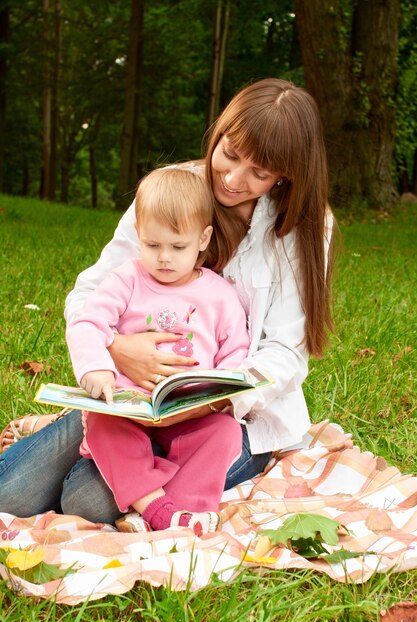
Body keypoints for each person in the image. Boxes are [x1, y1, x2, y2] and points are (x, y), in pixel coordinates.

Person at [0, 78, 334, 527]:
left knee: (86, 500)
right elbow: (90, 295)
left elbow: (285, 353)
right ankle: (116, 457)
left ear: (286, 173)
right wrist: (116, 349)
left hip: (229, 420)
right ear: (219, 134)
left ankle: (147, 494)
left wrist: (213, 399)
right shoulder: (169, 190)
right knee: (10, 492)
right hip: (131, 402)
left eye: (259, 172)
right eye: (230, 154)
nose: (234, 180)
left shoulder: (304, 227)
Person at [65, 166, 249, 535]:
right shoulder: (127, 279)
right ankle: (158, 509)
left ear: (203, 238)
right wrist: (96, 368)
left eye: (177, 247)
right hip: (128, 410)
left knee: (226, 433)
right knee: (103, 425)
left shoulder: (220, 295)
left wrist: (218, 396)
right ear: (139, 236)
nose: (164, 258)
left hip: (189, 414)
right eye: (152, 245)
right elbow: (88, 322)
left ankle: (180, 509)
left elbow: (236, 354)